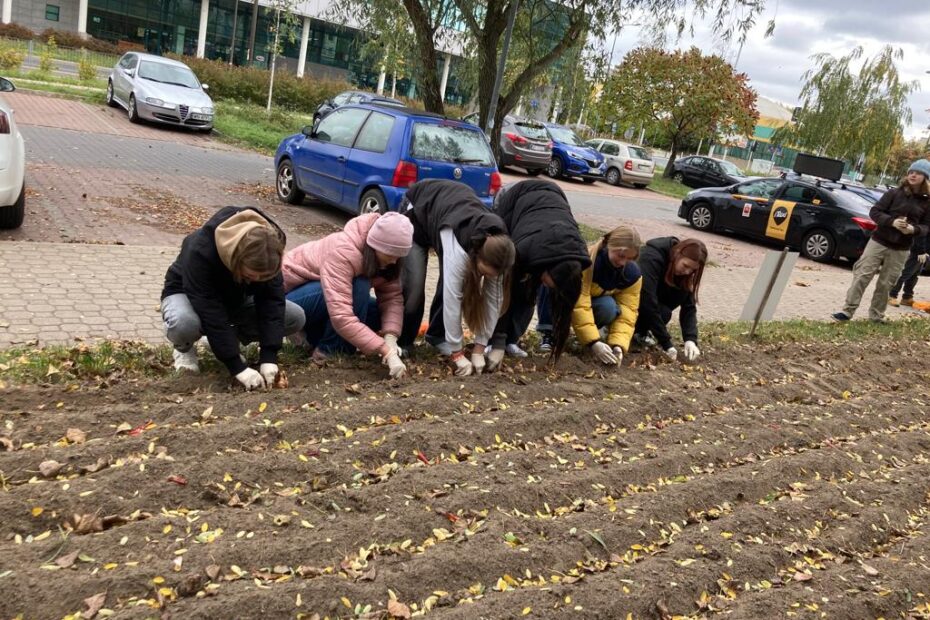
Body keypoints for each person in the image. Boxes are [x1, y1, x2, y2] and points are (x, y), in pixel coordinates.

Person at [160, 206, 305, 390]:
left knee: (294, 316)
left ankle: (223, 342)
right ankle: (184, 348)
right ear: (237, 260)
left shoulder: (268, 251)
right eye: (253, 276)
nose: (258, 281)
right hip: (187, 294)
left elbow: (272, 302)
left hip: (235, 298)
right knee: (184, 323)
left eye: (263, 277)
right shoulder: (201, 250)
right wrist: (236, 366)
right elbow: (210, 311)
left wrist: (269, 356)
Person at [399, 179, 516, 377]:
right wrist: (458, 354)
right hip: (419, 211)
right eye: (485, 273)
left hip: (448, 209)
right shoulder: (460, 250)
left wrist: (480, 347)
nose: (487, 278)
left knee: (453, 278)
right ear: (477, 256)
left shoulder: (499, 249)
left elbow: (493, 300)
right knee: (415, 287)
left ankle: (436, 336)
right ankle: (404, 343)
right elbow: (453, 299)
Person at [282, 212, 413, 379]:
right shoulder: (344, 251)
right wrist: (386, 351)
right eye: (390, 254)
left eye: (399, 256)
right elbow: (342, 316)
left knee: (377, 313)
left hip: (328, 297)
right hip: (291, 301)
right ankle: (329, 351)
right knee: (359, 285)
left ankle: (314, 337)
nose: (394, 261)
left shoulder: (386, 262)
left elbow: (391, 298)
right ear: (375, 247)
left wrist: (390, 337)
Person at [487, 180, 591, 366]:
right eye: (551, 283)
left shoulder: (578, 256)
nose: (547, 286)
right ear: (550, 269)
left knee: (529, 291)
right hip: (512, 199)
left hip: (552, 200)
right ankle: (492, 341)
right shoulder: (522, 250)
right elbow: (504, 290)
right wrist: (497, 343)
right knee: (514, 284)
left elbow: (569, 301)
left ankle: (512, 339)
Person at [834, 159, 930, 322]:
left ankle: (876, 316)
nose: (913, 175)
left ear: (925, 178)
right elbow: (875, 212)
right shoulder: (894, 193)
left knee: (887, 283)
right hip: (879, 242)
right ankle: (847, 311)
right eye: (911, 172)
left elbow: (927, 227)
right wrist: (892, 221)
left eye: (918, 173)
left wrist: (913, 229)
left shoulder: (927, 202)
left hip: (901, 249)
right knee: (862, 275)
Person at [567, 225, 643, 366]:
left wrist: (619, 345)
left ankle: (583, 338)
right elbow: (580, 303)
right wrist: (593, 342)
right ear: (609, 245)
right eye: (620, 256)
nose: (623, 262)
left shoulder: (632, 275)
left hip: (593, 305)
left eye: (629, 259)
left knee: (608, 306)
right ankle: (549, 333)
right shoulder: (586, 262)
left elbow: (628, 312)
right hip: (568, 301)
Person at [633, 237, 708, 363]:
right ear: (677, 253)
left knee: (665, 313)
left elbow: (689, 307)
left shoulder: (685, 274)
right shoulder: (652, 257)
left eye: (692, 270)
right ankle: (612, 328)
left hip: (651, 305)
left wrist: (690, 339)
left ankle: (639, 332)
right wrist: (666, 343)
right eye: (686, 265)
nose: (687, 271)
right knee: (656, 309)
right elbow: (647, 300)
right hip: (628, 301)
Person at [888, 237, 929, 308]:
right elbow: (921, 235)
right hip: (917, 250)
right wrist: (921, 251)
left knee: (914, 275)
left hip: (923, 251)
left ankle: (907, 297)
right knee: (905, 273)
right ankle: (891, 295)